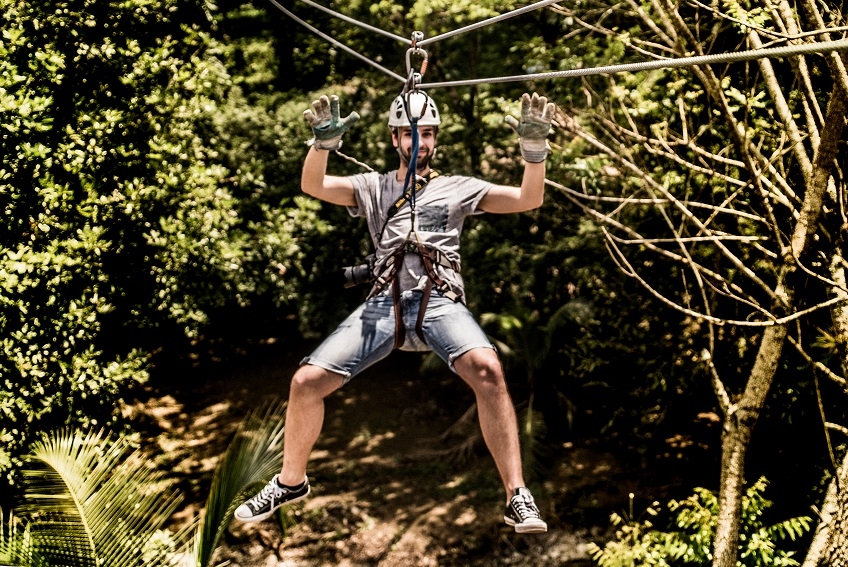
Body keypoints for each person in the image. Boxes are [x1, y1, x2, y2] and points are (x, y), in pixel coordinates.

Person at [234, 90, 555, 534]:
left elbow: (527, 199)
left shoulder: (459, 187)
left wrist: (534, 153)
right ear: (394, 139)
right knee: (305, 382)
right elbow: (314, 185)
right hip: (383, 302)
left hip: (439, 299)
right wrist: (320, 146)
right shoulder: (372, 187)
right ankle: (290, 481)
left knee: (489, 370)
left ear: (436, 139)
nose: (418, 143)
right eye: (410, 135)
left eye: (426, 134)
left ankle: (516, 494)